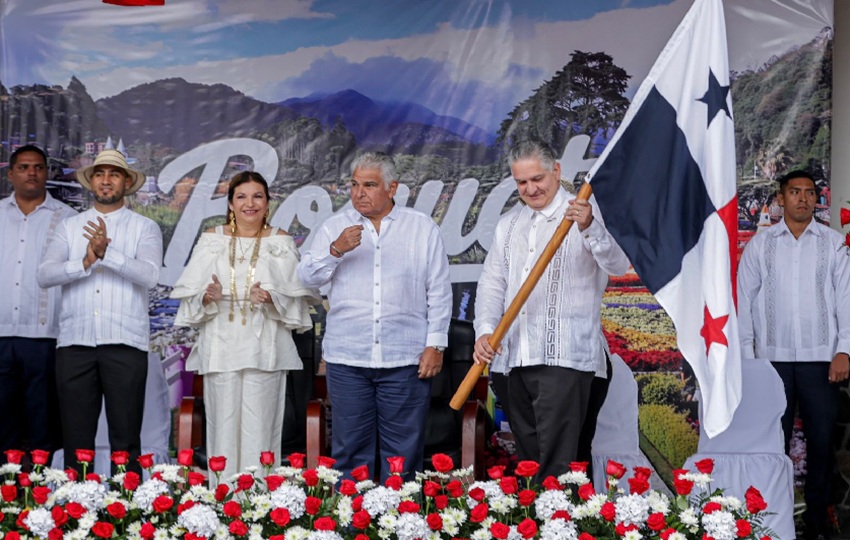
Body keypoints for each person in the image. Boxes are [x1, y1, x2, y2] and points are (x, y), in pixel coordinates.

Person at [472, 139, 629, 481]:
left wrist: (589, 227)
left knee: (560, 465)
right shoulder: (508, 224)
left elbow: (617, 263)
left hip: (565, 357)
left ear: (556, 171)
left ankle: (561, 528)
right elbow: (492, 284)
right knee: (530, 463)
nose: (530, 189)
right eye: (521, 182)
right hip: (513, 360)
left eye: (537, 179)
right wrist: (485, 328)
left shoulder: (584, 211)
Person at [297, 152, 452, 481]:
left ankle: (399, 528)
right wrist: (335, 250)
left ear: (392, 187)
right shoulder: (334, 228)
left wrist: (436, 345)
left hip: (405, 359)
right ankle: (355, 529)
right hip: (348, 360)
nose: (358, 193)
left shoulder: (421, 228)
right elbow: (306, 278)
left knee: (403, 457)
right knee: (351, 453)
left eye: (369, 185)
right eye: (354, 185)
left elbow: (438, 291)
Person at [171, 171, 319, 480]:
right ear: (230, 204)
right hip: (220, 343)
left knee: (260, 428)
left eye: (257, 197)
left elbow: (297, 301)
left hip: (264, 345)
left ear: (267, 203)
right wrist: (206, 296)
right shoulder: (212, 238)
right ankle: (222, 503)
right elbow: (191, 298)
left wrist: (270, 297)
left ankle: (258, 510)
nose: (249, 203)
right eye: (241, 197)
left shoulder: (280, 241)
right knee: (222, 426)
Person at [738, 169, 850, 540]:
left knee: (821, 443)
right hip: (772, 361)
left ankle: (817, 520)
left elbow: (846, 302)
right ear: (781, 199)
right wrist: (748, 360)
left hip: (822, 361)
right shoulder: (761, 245)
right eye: (794, 192)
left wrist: (843, 351)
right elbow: (744, 303)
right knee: (773, 445)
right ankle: (773, 521)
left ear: (817, 200)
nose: (802, 198)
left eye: (808, 193)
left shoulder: (833, 244)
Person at [38, 149, 162, 475]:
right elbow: (44, 275)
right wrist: (85, 262)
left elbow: (150, 276)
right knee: (76, 442)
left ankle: (129, 521)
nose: (106, 180)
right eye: (100, 174)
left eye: (114, 174)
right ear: (91, 181)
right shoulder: (69, 227)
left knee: (126, 439)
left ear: (126, 182)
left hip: (126, 343)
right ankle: (77, 518)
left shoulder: (145, 227)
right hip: (74, 344)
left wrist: (109, 254)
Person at [0, 145, 76, 464]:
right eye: (23, 167)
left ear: (47, 173)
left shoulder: (68, 220)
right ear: (10, 174)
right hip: (1, 336)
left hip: (46, 337)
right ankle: (5, 503)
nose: (31, 172)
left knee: (43, 424)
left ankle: (39, 500)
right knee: (3, 423)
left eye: (38, 167)